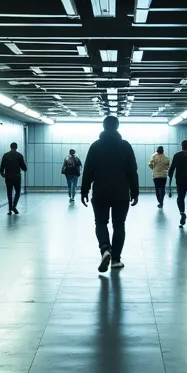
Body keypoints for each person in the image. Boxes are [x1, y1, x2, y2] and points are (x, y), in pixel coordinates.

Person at [80, 116, 139, 273]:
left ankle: (105, 249)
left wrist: (84, 190)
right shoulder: (125, 146)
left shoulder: (96, 146)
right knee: (119, 225)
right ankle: (116, 260)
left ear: (103, 126)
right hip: (121, 192)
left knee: (100, 223)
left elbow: (88, 170)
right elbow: (132, 170)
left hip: (100, 192)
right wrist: (135, 191)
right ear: (117, 127)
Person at [0, 142, 27, 215]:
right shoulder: (19, 155)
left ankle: (9, 210)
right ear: (16, 147)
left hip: (8, 177)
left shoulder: (5, 155)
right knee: (18, 192)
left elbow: (2, 166)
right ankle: (13, 206)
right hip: (16, 177)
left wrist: (2, 174)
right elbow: (24, 168)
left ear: (10, 147)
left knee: (9, 193)